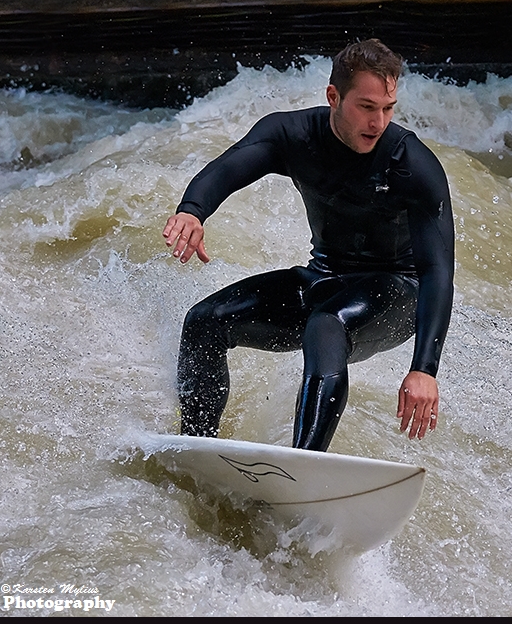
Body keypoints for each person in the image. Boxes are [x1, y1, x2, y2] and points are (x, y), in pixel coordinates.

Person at [161, 38, 454, 452]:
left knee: (327, 323)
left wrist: (424, 369)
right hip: (326, 278)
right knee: (204, 322)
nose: (379, 123)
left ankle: (303, 465)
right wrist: (192, 211)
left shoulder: (411, 164)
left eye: (388, 109)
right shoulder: (293, 135)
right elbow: (229, 167)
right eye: (367, 107)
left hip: (397, 293)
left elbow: (437, 271)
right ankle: (195, 448)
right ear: (333, 96)